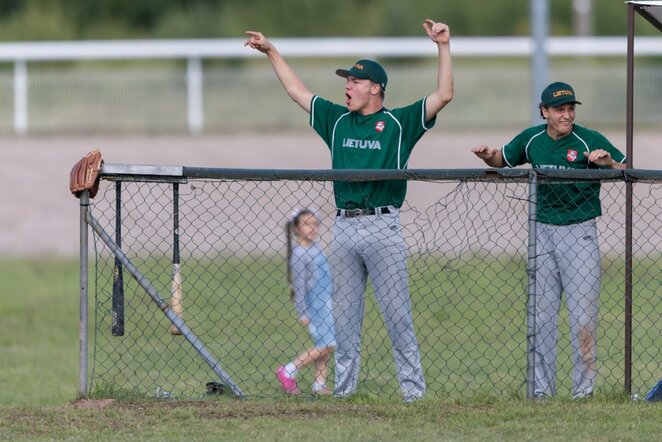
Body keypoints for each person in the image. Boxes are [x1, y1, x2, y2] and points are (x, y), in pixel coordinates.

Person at [245, 19, 453, 402]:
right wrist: (271, 51)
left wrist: (443, 45)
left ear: (376, 88)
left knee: (397, 315)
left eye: (355, 82)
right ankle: (344, 391)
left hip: (382, 226)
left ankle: (413, 392)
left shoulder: (398, 123)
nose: (347, 86)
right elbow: (297, 92)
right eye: (347, 81)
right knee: (345, 319)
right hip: (343, 228)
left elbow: (444, 94)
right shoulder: (337, 120)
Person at [471, 81, 626, 400]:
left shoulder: (589, 139)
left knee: (582, 318)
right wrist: (489, 157)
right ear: (544, 112)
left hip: (580, 233)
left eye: (570, 109)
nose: (567, 115)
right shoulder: (532, 140)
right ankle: (541, 391)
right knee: (541, 317)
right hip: (541, 233)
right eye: (559, 110)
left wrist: (608, 164)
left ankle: (583, 393)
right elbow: (504, 158)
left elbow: (627, 167)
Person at [276, 208, 336, 396]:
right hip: (315, 305)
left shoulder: (315, 248)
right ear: (296, 228)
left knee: (326, 343)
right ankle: (289, 369)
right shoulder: (300, 254)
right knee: (329, 343)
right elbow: (299, 287)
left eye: (315, 224)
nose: (312, 228)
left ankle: (319, 384)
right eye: (307, 224)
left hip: (327, 301)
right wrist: (303, 312)